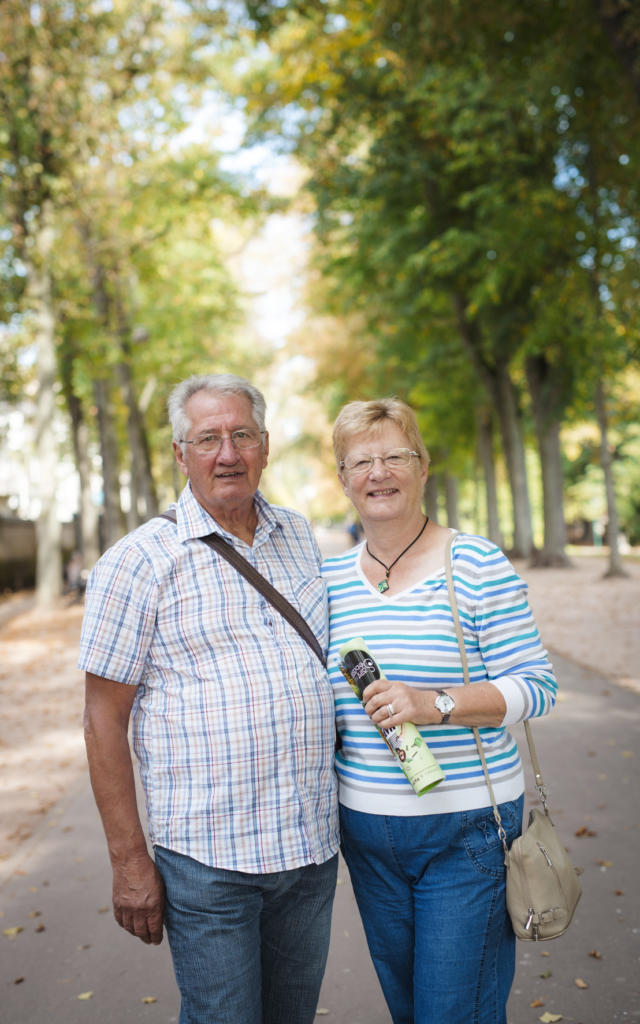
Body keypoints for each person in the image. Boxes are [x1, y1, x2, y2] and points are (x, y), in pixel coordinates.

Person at [79, 373, 339, 1024]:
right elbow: (103, 719)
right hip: (208, 860)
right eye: (208, 438)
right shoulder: (136, 561)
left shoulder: (300, 538)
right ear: (179, 453)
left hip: (309, 851)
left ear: (266, 445)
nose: (228, 453)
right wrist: (130, 861)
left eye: (241, 434)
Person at [322, 398, 557, 1024]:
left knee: (454, 1012)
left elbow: (538, 686)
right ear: (342, 480)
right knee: (410, 1010)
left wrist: (434, 704)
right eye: (361, 460)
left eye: (396, 455)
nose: (379, 472)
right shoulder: (326, 582)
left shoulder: (475, 564)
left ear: (422, 467)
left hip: (468, 828)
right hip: (367, 835)